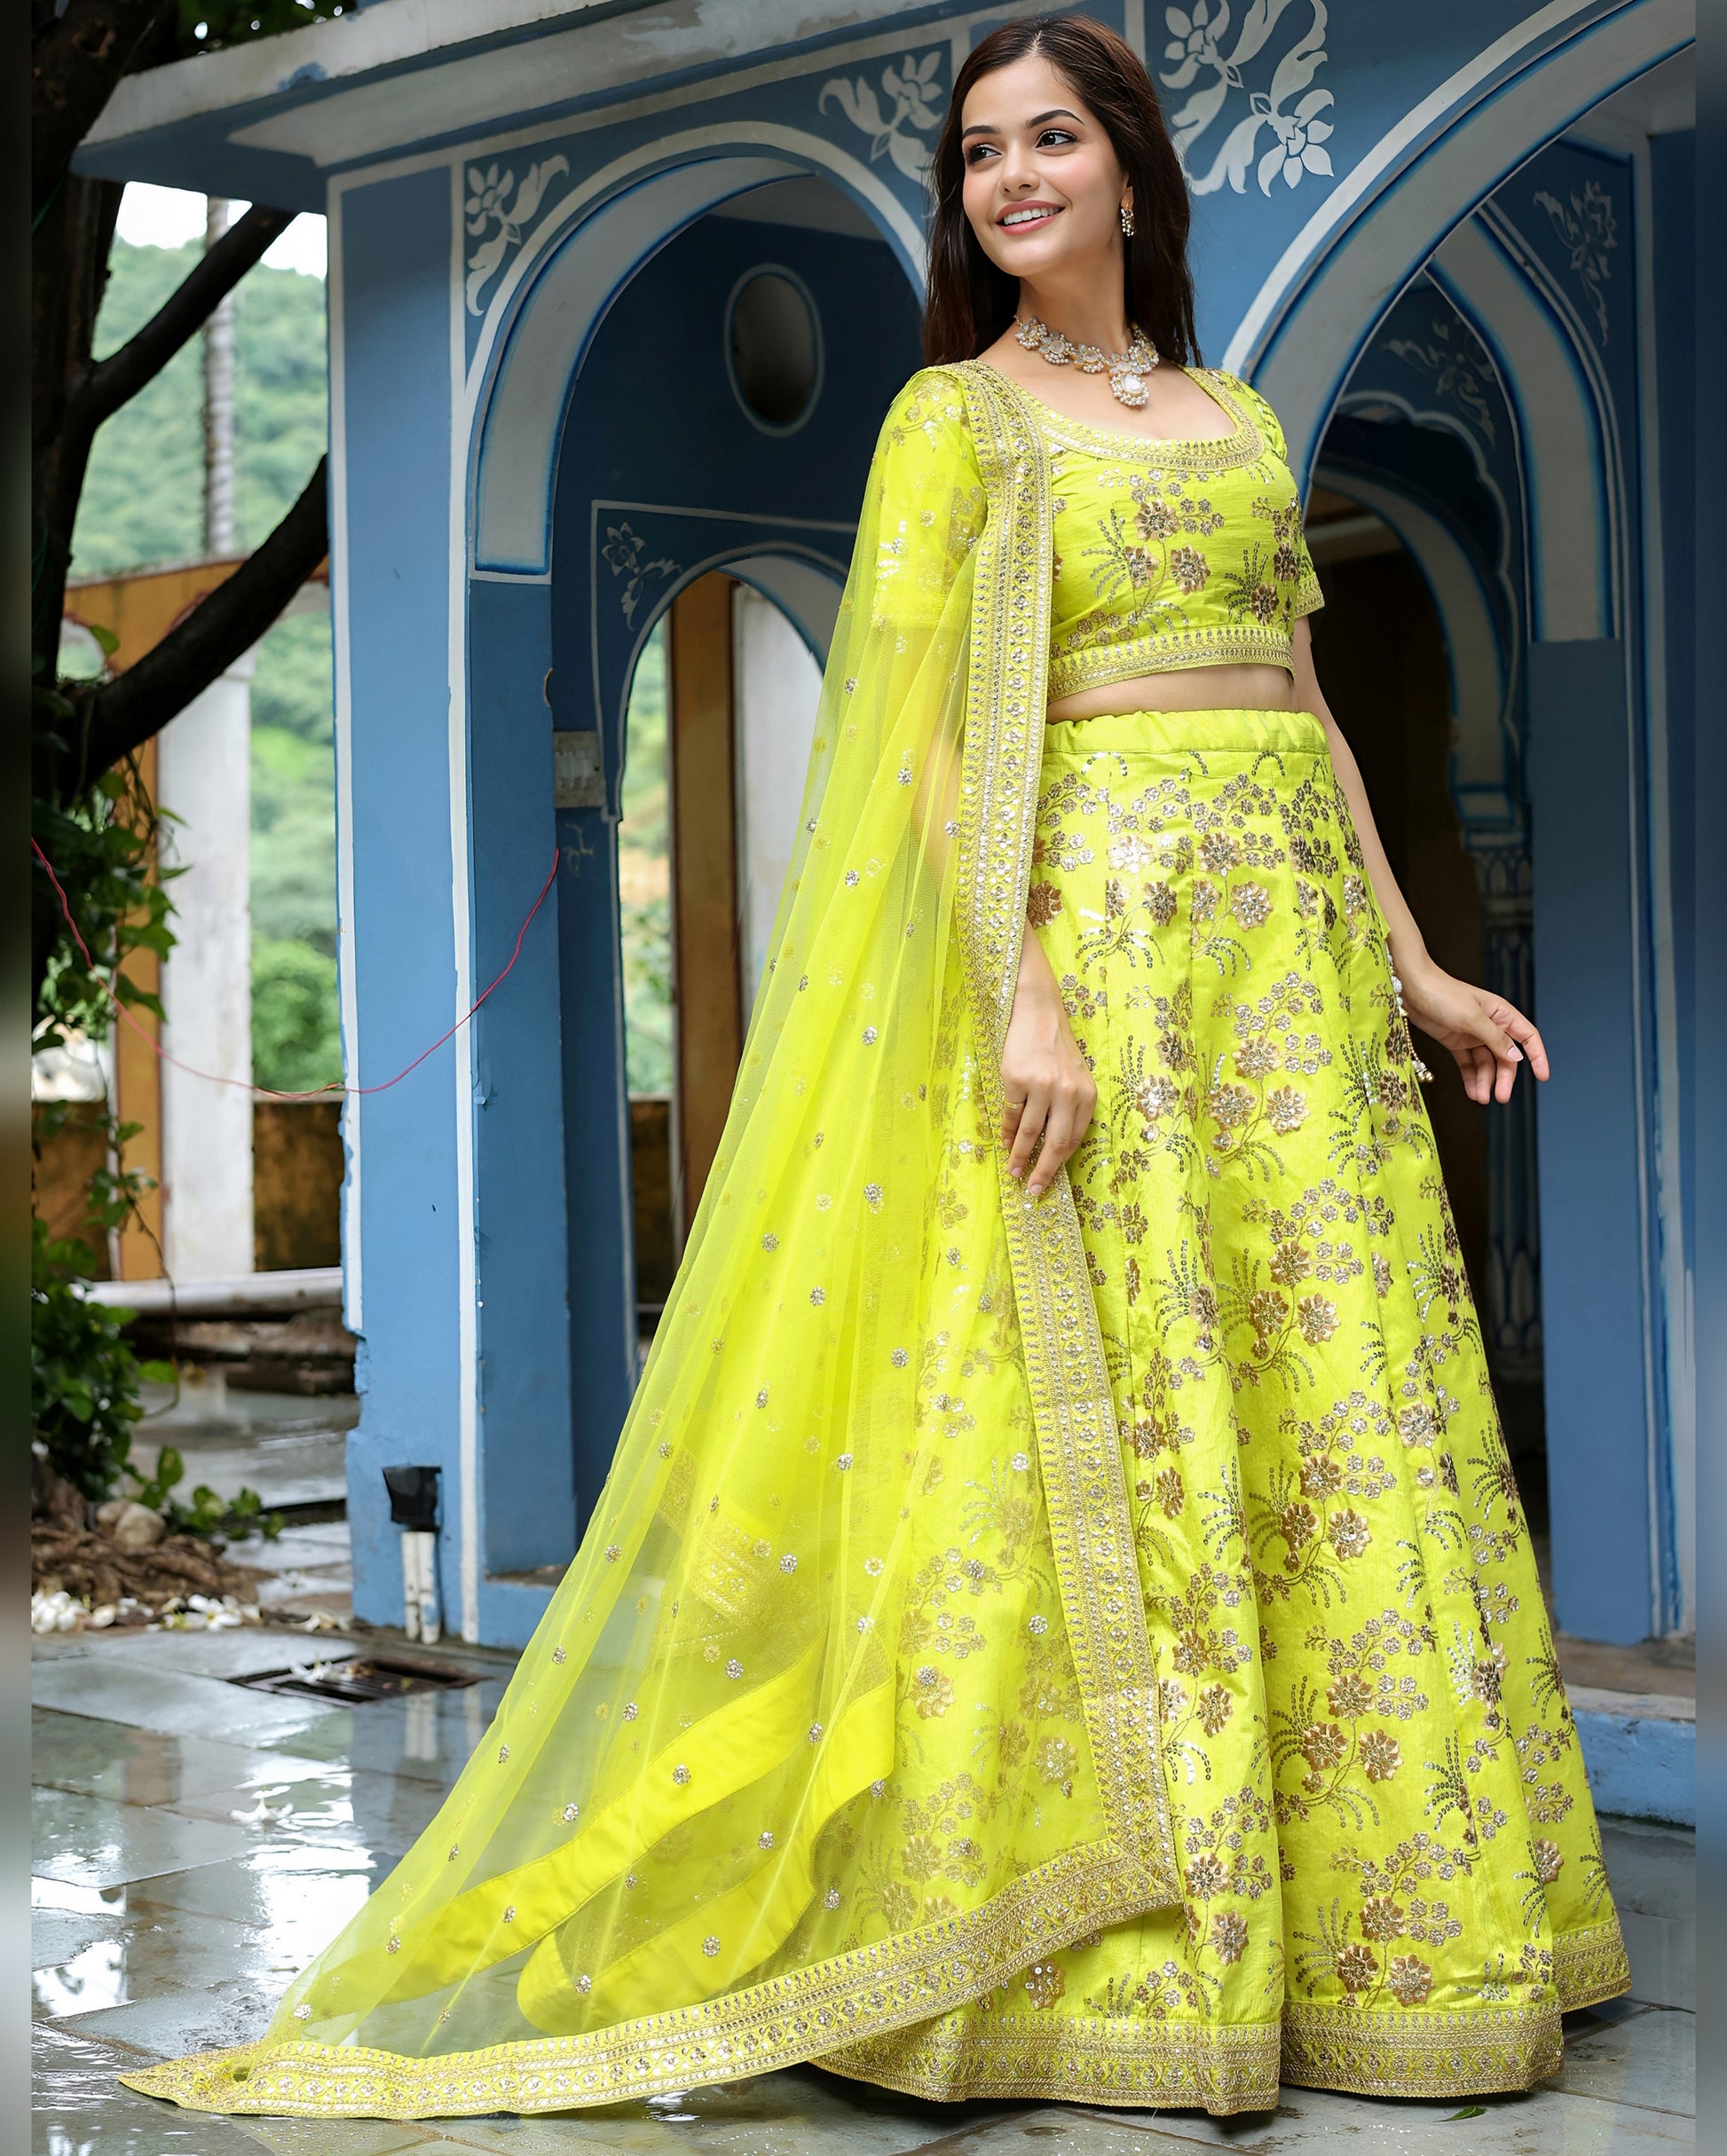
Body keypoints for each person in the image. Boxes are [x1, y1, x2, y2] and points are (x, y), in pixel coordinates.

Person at [125, 14, 1626, 2124]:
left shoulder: (1235, 413)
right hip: (1097, 937)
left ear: (1128, 169)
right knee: (1139, 1396)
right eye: (979, 151)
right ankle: (1130, 1960)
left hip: (1281, 959)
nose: (1011, 177)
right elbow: (922, 739)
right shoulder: (956, 420)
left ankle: (1392, 1930)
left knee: (1333, 1397)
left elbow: (1305, 704)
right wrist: (1025, 986)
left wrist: (1407, 966)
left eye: (1050, 141)